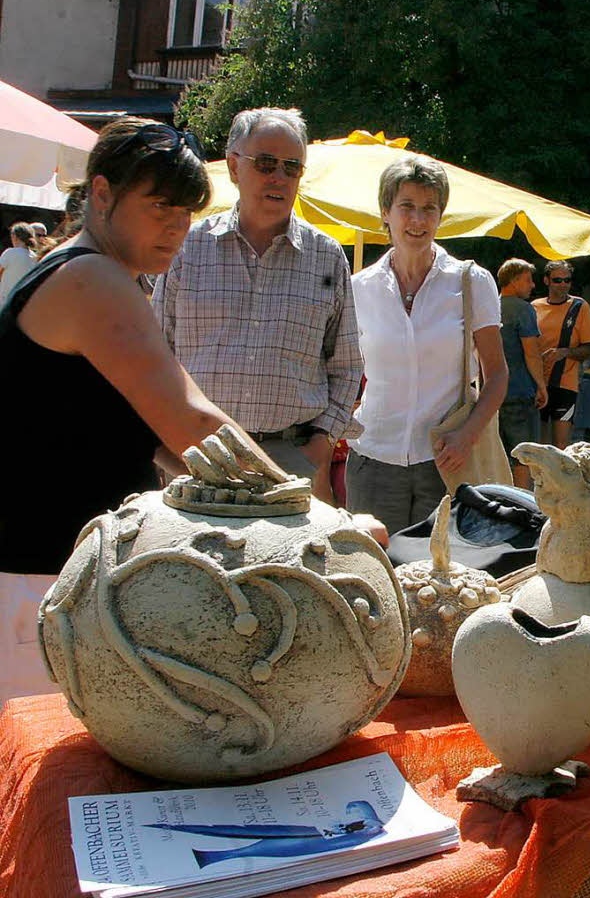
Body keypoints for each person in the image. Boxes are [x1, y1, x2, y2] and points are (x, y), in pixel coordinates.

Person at [0, 118, 294, 704]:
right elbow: (192, 423)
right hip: (41, 589)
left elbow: (157, 440)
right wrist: (307, 515)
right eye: (159, 204)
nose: (177, 226)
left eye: (186, 210)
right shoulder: (90, 277)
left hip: (49, 586)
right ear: (102, 193)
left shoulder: (83, 271)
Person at [152, 107, 362, 505]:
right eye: (265, 163)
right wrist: (167, 451)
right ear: (234, 166)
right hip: (196, 457)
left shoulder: (327, 256)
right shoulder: (187, 248)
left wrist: (319, 447)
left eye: (292, 167)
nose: (279, 177)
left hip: (291, 461)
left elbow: (348, 366)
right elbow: (155, 355)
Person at [346, 154, 508, 535]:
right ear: (386, 211)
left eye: (428, 209)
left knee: (439, 582)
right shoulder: (358, 288)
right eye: (406, 207)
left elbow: (497, 374)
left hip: (446, 461)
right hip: (373, 457)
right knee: (371, 576)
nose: (417, 220)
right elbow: (342, 371)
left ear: (440, 216)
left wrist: (468, 434)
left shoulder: (471, 281)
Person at [532, 260, 590, 449]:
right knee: (538, 444)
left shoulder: (579, 306)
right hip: (537, 382)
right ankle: (538, 479)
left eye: (567, 280)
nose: (563, 285)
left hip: (565, 385)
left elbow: (588, 348)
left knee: (560, 444)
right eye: (557, 280)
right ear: (546, 281)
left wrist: (564, 353)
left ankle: (557, 479)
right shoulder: (535, 306)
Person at [496, 258, 547, 489]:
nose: (532, 285)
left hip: (492, 394)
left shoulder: (489, 306)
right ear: (514, 281)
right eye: (528, 280)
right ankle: (521, 502)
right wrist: (541, 385)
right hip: (519, 390)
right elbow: (531, 353)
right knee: (523, 455)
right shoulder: (523, 309)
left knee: (498, 453)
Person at [0, 222, 38, 302]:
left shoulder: (10, 253)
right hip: (24, 300)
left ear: (14, 236)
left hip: (5, 298)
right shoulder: (34, 256)